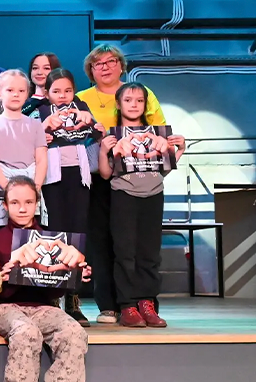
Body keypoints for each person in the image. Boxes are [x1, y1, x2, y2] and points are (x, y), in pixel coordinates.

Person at [75, 44, 167, 325]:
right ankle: (111, 305)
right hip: (99, 177)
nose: (105, 67)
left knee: (142, 245)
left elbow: (160, 135)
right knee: (104, 243)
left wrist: (172, 147)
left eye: (111, 61)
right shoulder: (80, 98)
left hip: (141, 178)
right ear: (91, 70)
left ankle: (144, 303)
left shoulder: (142, 92)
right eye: (98, 63)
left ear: (121, 65)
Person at [98, 82, 185, 328]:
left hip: (154, 194)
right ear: (118, 104)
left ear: (146, 105)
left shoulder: (158, 136)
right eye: (128, 100)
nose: (134, 105)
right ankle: (127, 305)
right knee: (125, 252)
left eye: (139, 100)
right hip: (124, 195)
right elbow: (105, 174)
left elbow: (163, 170)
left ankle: (147, 303)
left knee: (149, 253)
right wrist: (104, 151)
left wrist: (179, 150)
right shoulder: (113, 136)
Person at [0, 176, 91, 382]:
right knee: (26, 332)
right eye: (15, 203)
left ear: (37, 204)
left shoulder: (51, 240)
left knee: (74, 332)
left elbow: (54, 292)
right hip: (4, 308)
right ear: (5, 206)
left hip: (43, 307)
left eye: (28, 202)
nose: (22, 209)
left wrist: (73, 276)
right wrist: (4, 278)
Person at [35, 68, 99, 326]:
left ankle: (73, 299)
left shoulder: (82, 109)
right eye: (56, 91)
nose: (62, 96)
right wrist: (43, 129)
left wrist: (92, 123)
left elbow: (98, 135)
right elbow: (29, 140)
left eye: (68, 90)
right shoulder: (39, 111)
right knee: (53, 236)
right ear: (47, 92)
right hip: (51, 180)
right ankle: (52, 297)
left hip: (79, 179)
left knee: (77, 237)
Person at [0, 70, 48, 227]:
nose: (16, 94)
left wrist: (35, 188)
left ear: (27, 94)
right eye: (10, 90)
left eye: (21, 91)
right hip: (1, 187)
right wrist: (8, 188)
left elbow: (41, 159)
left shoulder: (35, 125)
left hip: (30, 186)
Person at [22, 52, 61, 118]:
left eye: (46, 68)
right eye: (35, 68)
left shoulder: (64, 101)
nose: (39, 72)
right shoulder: (21, 101)